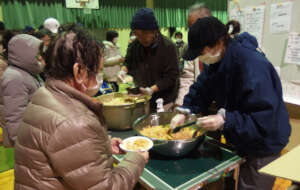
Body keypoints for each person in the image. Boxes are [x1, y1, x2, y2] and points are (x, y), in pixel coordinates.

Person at [14, 27, 149, 190]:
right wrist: (136, 159)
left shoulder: (45, 93)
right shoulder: (75, 122)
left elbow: (65, 148)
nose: (101, 77)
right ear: (78, 71)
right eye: (98, 71)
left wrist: (103, 145)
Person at [171, 16, 291, 190]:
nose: (201, 58)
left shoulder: (252, 65)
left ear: (219, 42)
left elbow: (263, 120)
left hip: (264, 143)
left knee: (252, 184)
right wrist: (185, 111)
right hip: (243, 137)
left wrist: (225, 120)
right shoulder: (218, 61)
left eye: (202, 52)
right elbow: (201, 88)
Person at [120, 8, 179, 111]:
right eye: (137, 35)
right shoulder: (135, 45)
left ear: (154, 30)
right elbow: (128, 62)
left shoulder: (168, 46)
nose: (141, 38)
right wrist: (123, 71)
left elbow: (171, 76)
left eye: (144, 34)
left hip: (164, 100)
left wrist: (152, 89)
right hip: (142, 98)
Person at [0, 34, 43, 147]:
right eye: (37, 53)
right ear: (26, 54)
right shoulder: (15, 77)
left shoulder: (28, 72)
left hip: (32, 136)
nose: (40, 57)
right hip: (24, 143)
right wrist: (24, 144)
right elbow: (14, 116)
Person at [175, 3, 211, 106]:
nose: (192, 32)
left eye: (195, 27)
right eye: (190, 28)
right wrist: (181, 104)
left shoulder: (221, 47)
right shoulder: (193, 47)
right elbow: (188, 78)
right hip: (200, 104)